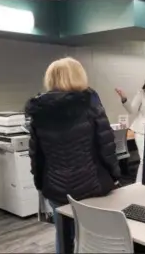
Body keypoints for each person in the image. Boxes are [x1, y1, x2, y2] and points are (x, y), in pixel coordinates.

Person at [25, 57, 121, 253]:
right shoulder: (90, 103)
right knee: (93, 238)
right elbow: (107, 145)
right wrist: (115, 175)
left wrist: (40, 184)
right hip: (91, 186)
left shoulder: (39, 110)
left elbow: (36, 155)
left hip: (56, 188)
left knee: (62, 235)